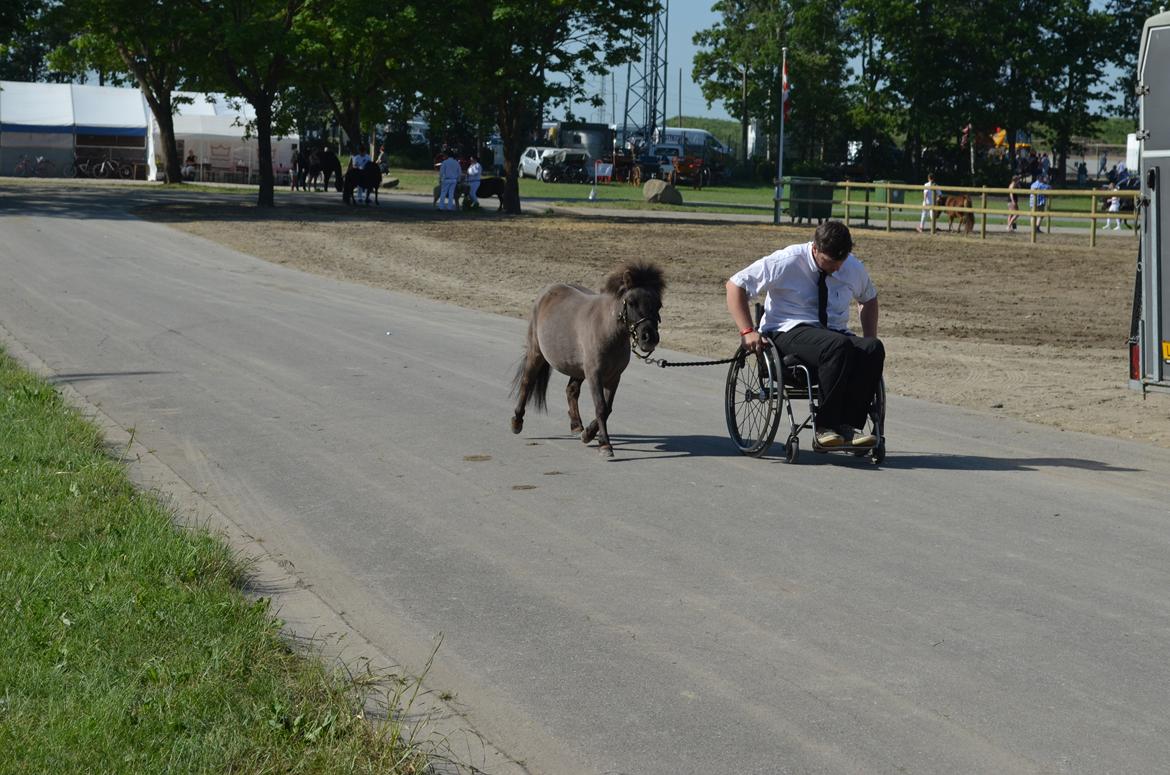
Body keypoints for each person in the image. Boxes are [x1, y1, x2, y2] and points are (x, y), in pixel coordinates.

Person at [725, 220, 883, 448]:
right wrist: (748, 331)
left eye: (841, 261)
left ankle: (849, 427)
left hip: (833, 334)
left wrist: (870, 336)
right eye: (830, 262)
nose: (837, 268)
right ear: (815, 249)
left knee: (872, 349)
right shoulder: (787, 261)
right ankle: (825, 427)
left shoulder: (851, 267)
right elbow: (735, 285)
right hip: (787, 331)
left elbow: (868, 298)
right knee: (837, 345)